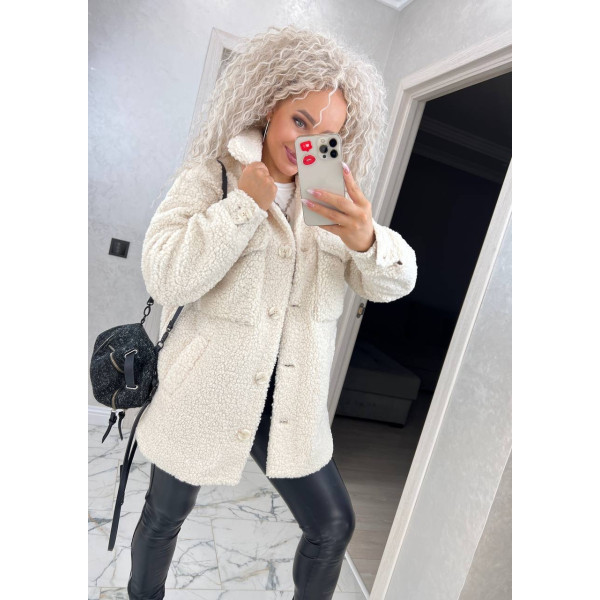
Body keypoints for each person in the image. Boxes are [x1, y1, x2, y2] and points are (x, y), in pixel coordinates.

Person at [128, 24, 418, 600]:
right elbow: (166, 275)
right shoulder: (213, 176)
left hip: (289, 402)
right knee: (164, 516)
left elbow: (396, 284)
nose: (307, 141)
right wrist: (243, 207)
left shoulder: (331, 201)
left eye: (328, 133)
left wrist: (366, 239)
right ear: (270, 110)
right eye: (300, 121)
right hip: (203, 394)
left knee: (333, 524)